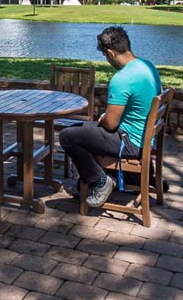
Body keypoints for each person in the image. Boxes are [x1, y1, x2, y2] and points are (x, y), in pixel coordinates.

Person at [59, 25, 162, 208]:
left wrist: (105, 118)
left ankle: (100, 181)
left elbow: (111, 125)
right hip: (144, 139)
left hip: (129, 142)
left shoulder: (122, 78)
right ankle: (87, 181)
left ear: (110, 53)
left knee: (67, 137)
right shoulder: (148, 66)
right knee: (81, 129)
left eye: (105, 56)